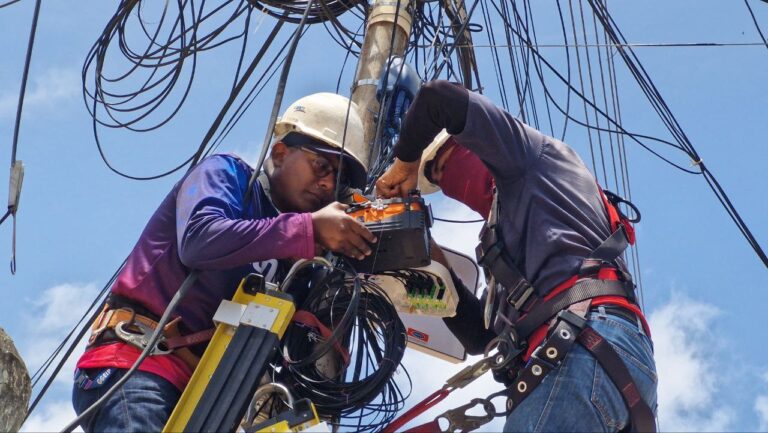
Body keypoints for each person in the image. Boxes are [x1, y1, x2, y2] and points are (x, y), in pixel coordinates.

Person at [71, 92, 378, 432]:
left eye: (338, 180)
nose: (327, 183)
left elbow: (299, 350)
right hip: (138, 366)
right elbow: (199, 240)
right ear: (279, 152)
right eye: (321, 165)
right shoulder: (226, 175)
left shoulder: (306, 259)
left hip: (208, 403)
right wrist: (306, 229)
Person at [377, 80, 658, 432]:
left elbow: (438, 99)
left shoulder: (531, 154)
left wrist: (405, 164)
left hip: (583, 343)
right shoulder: (507, 236)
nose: (446, 181)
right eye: (436, 178)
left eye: (445, 164)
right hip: (598, 359)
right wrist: (427, 254)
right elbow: (482, 339)